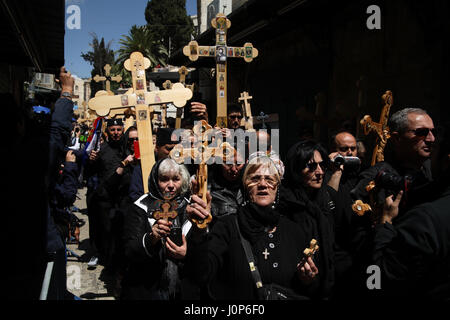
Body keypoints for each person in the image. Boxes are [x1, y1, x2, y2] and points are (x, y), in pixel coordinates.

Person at [185, 155, 319, 300]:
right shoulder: (227, 227)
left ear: (277, 187)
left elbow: (307, 289)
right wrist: (199, 230)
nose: (262, 184)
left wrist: (307, 279)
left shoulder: (294, 231)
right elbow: (200, 274)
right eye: (255, 179)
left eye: (269, 179)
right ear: (245, 186)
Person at [370, 122, 450, 299]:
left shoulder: (425, 219)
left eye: (435, 145)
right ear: (397, 138)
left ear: (446, 160)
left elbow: (376, 281)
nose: (430, 140)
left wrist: (385, 224)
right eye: (422, 132)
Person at [121, 158, 197, 300]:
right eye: (164, 179)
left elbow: (203, 247)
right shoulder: (140, 207)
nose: (170, 185)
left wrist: (187, 253)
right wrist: (151, 238)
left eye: (176, 179)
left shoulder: (190, 207)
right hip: (148, 287)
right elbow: (129, 250)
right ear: (155, 181)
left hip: (182, 287)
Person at [278, 140, 336, 299]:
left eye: (322, 165)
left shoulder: (326, 198)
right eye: (311, 166)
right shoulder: (285, 205)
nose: (319, 172)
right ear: (296, 170)